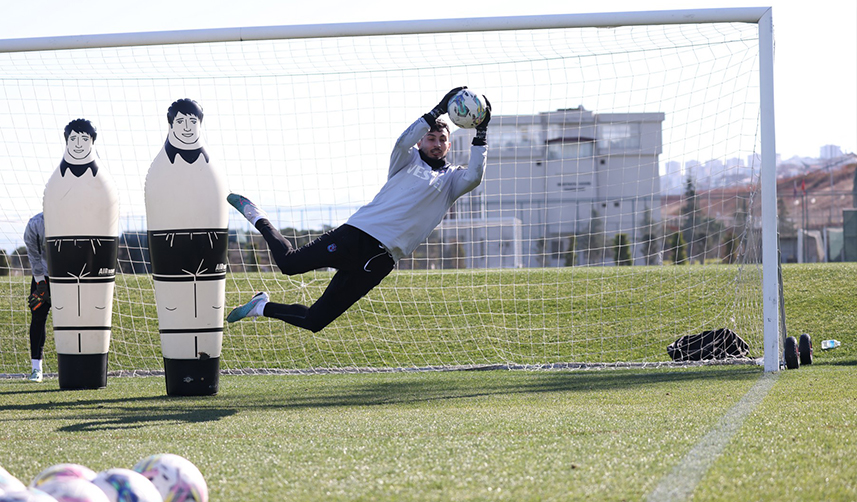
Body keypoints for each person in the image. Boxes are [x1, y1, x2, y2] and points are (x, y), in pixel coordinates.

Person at [226, 87, 491, 332]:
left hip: (381, 261)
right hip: (356, 235)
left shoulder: (452, 179)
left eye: (441, 139)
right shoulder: (405, 158)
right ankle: (256, 215)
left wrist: (481, 133)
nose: (435, 143)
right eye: (429, 138)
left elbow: (475, 176)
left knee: (315, 321)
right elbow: (402, 140)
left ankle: (260, 306)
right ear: (420, 143)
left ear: (449, 144)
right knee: (288, 263)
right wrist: (436, 110)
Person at [23, 212, 49, 382]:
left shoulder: (75, 217)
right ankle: (36, 369)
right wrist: (40, 283)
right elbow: (33, 255)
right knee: (38, 318)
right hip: (43, 277)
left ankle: (81, 366)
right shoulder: (35, 224)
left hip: (70, 276)